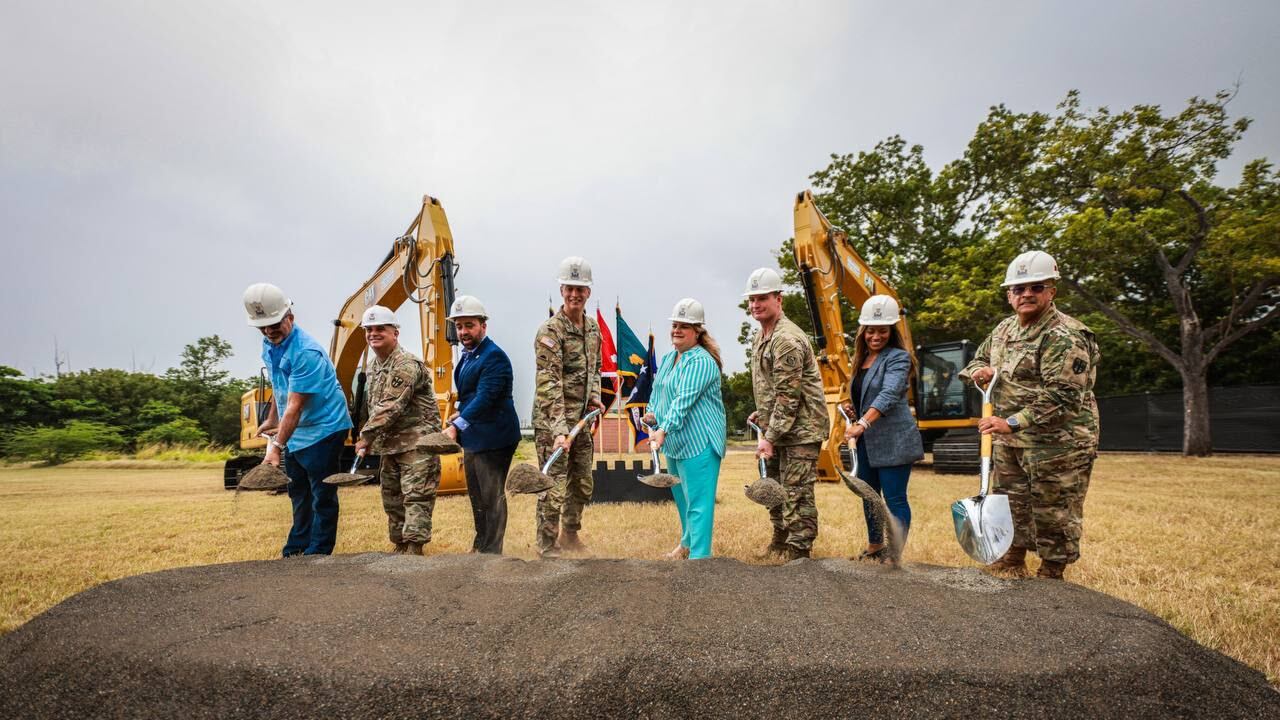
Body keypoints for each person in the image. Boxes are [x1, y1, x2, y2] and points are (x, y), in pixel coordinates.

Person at [960, 250, 1100, 580]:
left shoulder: (1064, 336)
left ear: (1051, 290)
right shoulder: (1003, 330)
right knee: (1010, 501)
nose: (1026, 294)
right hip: (1009, 438)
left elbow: (1063, 397)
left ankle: (1052, 570)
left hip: (1058, 441)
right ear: (1009, 295)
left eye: (1036, 287)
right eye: (1018, 289)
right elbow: (974, 362)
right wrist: (980, 371)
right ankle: (1011, 557)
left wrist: (1011, 423)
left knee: (1053, 507)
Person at [244, 283, 351, 557]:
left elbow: (295, 405)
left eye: (275, 325)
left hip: (324, 428)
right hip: (297, 429)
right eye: (263, 327)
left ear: (290, 316)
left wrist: (276, 447)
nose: (269, 332)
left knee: (321, 492)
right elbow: (281, 390)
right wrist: (271, 420)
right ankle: (296, 547)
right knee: (297, 490)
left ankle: (318, 551)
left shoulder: (305, 353)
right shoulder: (269, 346)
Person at [744, 268, 829, 561]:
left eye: (762, 298)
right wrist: (763, 413)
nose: (756, 304)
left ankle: (800, 553)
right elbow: (774, 388)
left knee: (796, 492)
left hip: (800, 431)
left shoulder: (786, 339)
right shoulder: (761, 336)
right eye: (752, 299)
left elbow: (789, 398)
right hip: (779, 426)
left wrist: (770, 436)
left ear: (778, 298)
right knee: (774, 488)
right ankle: (780, 540)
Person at [353, 305, 443, 556]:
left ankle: (415, 549)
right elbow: (373, 406)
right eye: (369, 330)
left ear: (395, 333)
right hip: (390, 444)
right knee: (392, 497)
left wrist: (366, 435)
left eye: (380, 329)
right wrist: (371, 436)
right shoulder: (372, 367)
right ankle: (400, 545)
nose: (373, 334)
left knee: (416, 497)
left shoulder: (406, 364)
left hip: (417, 443)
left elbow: (391, 405)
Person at [532, 256, 605, 558]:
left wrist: (595, 396)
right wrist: (560, 431)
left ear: (588, 292)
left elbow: (597, 368)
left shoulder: (592, 330)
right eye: (569, 289)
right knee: (554, 484)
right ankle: (547, 546)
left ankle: (570, 534)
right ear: (561, 289)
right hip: (555, 423)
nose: (575, 295)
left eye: (581, 289)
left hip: (581, 421)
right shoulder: (551, 331)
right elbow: (549, 384)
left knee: (582, 482)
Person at [842, 295, 924, 562]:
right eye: (870, 330)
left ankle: (895, 552)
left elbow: (889, 393)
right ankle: (876, 545)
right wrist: (853, 408)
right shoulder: (860, 360)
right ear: (862, 331)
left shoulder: (899, 358)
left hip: (893, 440)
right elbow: (866, 394)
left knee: (894, 497)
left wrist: (863, 422)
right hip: (867, 442)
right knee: (869, 496)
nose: (875, 336)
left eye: (882, 330)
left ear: (892, 331)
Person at [646, 298, 727, 561]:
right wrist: (651, 416)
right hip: (676, 443)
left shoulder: (702, 362)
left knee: (699, 504)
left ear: (697, 331)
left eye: (685, 326)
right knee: (682, 499)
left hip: (700, 442)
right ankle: (686, 545)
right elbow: (658, 393)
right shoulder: (670, 358)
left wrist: (664, 428)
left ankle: (700, 558)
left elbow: (684, 399)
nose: (677, 330)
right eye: (675, 325)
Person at [442, 295, 521, 555]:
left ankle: (493, 551)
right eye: (459, 326)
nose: (463, 331)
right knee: (476, 495)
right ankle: (481, 543)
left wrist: (457, 425)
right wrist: (458, 413)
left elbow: (486, 397)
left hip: (495, 437)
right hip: (475, 436)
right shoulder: (468, 357)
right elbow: (469, 397)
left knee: (491, 495)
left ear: (483, 326)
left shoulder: (494, 357)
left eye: (469, 325)